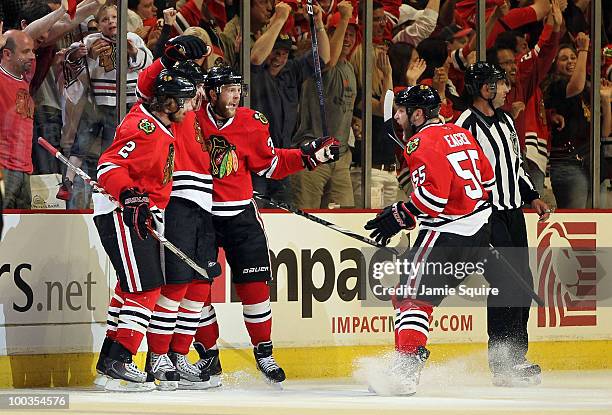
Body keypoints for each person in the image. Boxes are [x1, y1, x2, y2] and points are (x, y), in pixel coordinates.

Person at [193, 64, 340, 384]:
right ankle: (208, 358)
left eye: (238, 89)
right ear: (212, 92)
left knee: (255, 288)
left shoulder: (251, 122)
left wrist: (309, 155)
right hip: (200, 214)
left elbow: (271, 164)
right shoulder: (191, 118)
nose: (236, 96)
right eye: (229, 90)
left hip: (241, 216)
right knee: (196, 291)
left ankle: (264, 352)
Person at [364, 85, 495, 396]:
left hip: (447, 233)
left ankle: (407, 367)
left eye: (401, 110)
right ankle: (405, 359)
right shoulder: (461, 133)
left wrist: (399, 214)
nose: (396, 116)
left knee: (411, 297)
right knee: (413, 295)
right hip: (478, 232)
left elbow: (432, 201)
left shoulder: (420, 143)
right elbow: (487, 181)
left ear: (418, 114)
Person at [92, 69, 196, 392]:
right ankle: (122, 358)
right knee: (147, 287)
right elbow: (108, 166)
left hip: (140, 212)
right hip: (121, 212)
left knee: (129, 287)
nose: (190, 107)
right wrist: (128, 195)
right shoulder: (143, 126)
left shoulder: (162, 124)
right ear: (167, 102)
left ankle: (110, 361)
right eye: (185, 101)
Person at [455, 62, 550, 387]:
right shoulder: (465, 124)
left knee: (522, 282)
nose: (507, 89)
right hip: (487, 216)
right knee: (505, 284)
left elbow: (515, 164)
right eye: (500, 83)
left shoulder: (507, 121)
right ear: (484, 89)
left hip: (513, 213)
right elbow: (460, 174)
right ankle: (502, 362)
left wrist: (532, 195)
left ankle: (516, 357)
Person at [136, 35, 222, 389]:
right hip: (180, 198)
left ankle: (178, 354)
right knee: (176, 283)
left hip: (206, 200)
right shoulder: (174, 98)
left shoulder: (205, 106)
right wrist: (167, 58)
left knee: (201, 282)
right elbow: (145, 87)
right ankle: (158, 357)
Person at [57, 3, 153, 202]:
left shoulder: (133, 38)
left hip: (123, 104)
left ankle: (108, 185)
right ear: (98, 24)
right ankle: (67, 180)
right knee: (81, 141)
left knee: (111, 146)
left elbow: (148, 62)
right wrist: (85, 54)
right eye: (105, 19)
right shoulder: (91, 40)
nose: (111, 22)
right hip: (97, 102)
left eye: (114, 18)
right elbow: (70, 57)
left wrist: (133, 52)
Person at [0, 30, 36, 209]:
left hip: (24, 170)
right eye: (25, 51)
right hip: (3, 169)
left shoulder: (25, 78)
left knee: (21, 234)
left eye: (32, 51)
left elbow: (54, 29)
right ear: (7, 54)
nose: (32, 56)